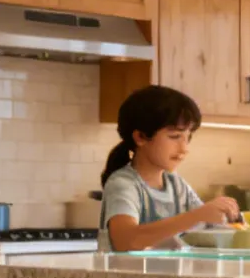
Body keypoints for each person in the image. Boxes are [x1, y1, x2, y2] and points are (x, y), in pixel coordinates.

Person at [98, 85, 239, 252]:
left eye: (188, 138)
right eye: (174, 136)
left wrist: (228, 220)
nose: (184, 148)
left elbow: (208, 225)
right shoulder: (123, 184)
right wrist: (197, 215)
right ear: (141, 137)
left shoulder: (177, 186)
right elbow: (126, 240)